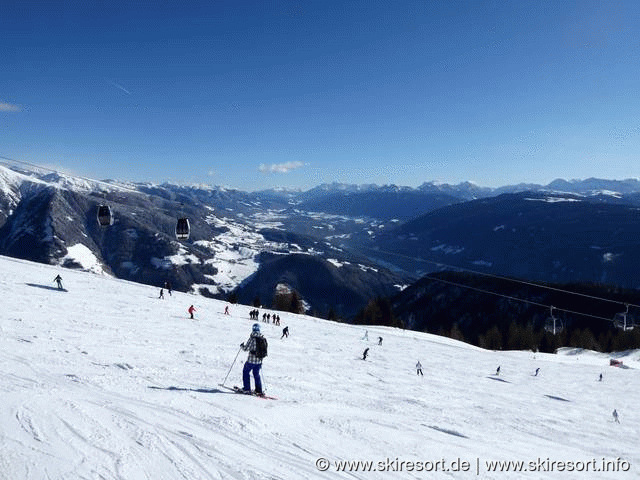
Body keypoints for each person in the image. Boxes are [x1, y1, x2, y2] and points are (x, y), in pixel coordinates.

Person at [240, 323, 265, 395]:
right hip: (259, 361)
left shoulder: (252, 338)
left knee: (246, 372)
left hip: (251, 360)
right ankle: (258, 390)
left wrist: (242, 346)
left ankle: (247, 388)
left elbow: (246, 348)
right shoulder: (262, 338)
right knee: (256, 374)